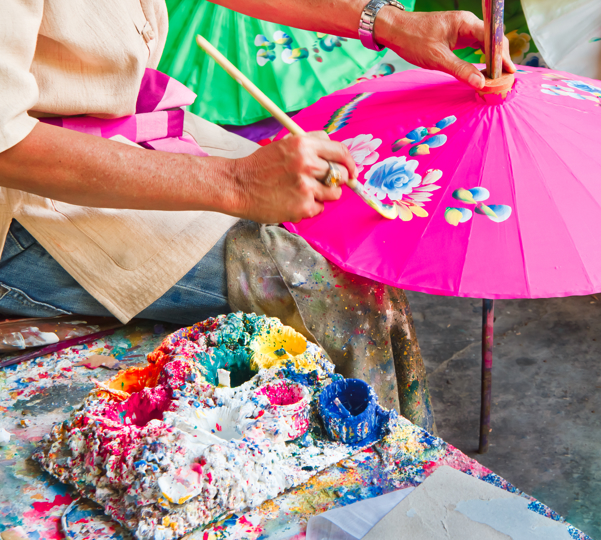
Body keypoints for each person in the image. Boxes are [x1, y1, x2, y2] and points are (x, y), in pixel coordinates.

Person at [0, 0, 513, 430]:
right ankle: (375, 487)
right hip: (26, 199)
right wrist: (237, 184)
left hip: (124, 129)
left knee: (341, 222)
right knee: (333, 287)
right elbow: (7, 143)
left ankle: (404, 476)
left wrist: (387, 22)